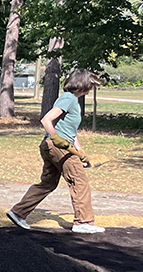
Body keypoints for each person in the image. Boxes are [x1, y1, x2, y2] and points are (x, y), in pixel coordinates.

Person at [6, 70, 104, 234]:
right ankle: (83, 222)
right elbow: (46, 120)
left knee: (48, 183)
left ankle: (18, 213)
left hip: (56, 145)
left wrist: (81, 152)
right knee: (79, 182)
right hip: (58, 146)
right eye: (91, 85)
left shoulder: (73, 100)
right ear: (83, 84)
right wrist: (56, 138)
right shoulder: (68, 98)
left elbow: (70, 132)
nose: (92, 88)